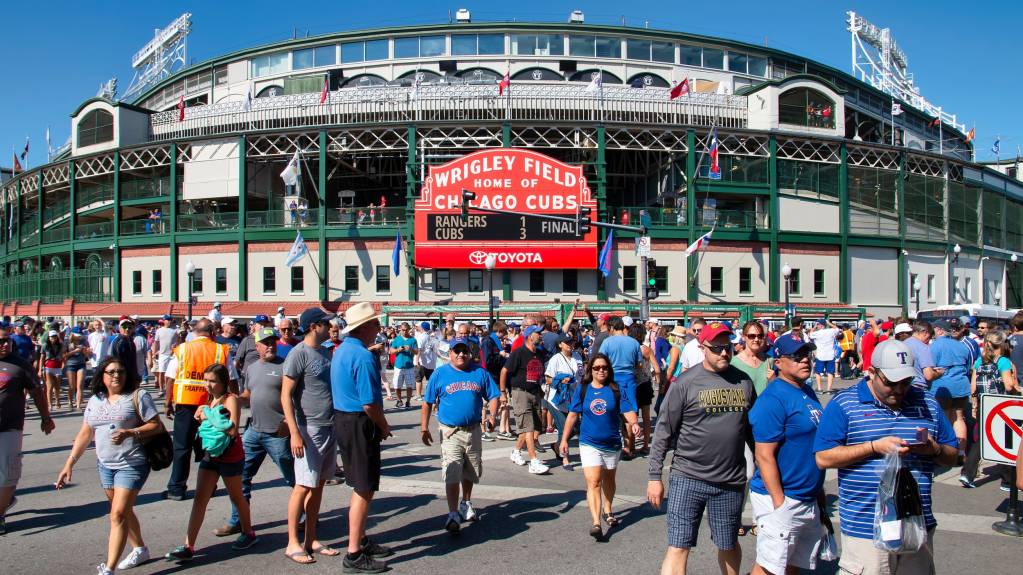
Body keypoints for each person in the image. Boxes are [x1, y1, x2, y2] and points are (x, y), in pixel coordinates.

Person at [814, 339, 958, 574]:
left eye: (906, 381)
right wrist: (872, 447)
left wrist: (934, 450)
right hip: (866, 530)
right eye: (891, 382)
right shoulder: (845, 404)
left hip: (916, 525)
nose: (900, 389)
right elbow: (823, 458)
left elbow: (951, 456)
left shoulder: (927, 403)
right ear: (872, 373)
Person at [647, 322, 755, 575]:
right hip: (688, 477)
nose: (724, 354)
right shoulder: (685, 383)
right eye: (717, 349)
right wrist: (654, 477)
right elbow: (663, 431)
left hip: (730, 480)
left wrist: (765, 466)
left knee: (728, 543)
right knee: (679, 545)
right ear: (702, 348)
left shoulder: (743, 381)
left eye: (727, 347)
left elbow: (753, 430)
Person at [56, 356, 162, 574]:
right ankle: (140, 549)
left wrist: (130, 432)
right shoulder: (96, 400)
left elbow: (156, 425)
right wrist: (69, 464)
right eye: (111, 372)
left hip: (132, 463)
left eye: (121, 371)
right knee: (122, 510)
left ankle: (109, 569)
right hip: (105, 464)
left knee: (117, 515)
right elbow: (86, 433)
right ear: (102, 376)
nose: (116, 375)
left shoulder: (137, 396)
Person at [748, 335, 829, 575]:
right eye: (796, 356)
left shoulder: (807, 391)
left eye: (807, 354)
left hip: (807, 494)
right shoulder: (773, 399)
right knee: (770, 567)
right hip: (782, 496)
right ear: (778, 362)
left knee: (794, 564)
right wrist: (779, 503)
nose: (805, 360)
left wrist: (819, 494)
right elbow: (763, 455)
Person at [165, 364, 258, 561]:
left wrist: (207, 415)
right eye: (206, 380)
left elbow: (232, 430)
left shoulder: (230, 399)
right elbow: (211, 426)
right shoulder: (210, 400)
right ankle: (188, 546)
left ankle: (248, 533)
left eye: (212, 381)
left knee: (237, 496)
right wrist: (203, 417)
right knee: (200, 498)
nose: (207, 384)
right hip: (211, 455)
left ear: (223, 382)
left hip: (230, 456)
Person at [214, 327, 296, 537]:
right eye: (265, 342)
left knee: (293, 479)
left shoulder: (285, 366)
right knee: (241, 479)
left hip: (277, 433)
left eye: (272, 341)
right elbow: (249, 393)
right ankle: (238, 520)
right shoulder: (251, 368)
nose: (270, 345)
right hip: (254, 431)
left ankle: (303, 517)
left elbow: (295, 397)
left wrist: (290, 422)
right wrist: (234, 399)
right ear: (256, 346)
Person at [332, 302, 395, 573]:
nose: (379, 328)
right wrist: (383, 425)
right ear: (365, 327)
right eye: (375, 324)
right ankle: (354, 553)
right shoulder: (363, 356)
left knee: (362, 484)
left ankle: (361, 540)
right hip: (359, 421)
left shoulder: (344, 350)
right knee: (363, 488)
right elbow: (370, 404)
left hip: (345, 420)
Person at [420, 337, 500, 533]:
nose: (461, 354)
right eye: (457, 351)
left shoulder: (479, 372)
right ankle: (453, 512)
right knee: (452, 471)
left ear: (470, 353)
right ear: (450, 353)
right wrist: (424, 427)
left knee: (471, 470)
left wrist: (491, 415)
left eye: (464, 351)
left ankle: (466, 502)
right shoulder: (440, 374)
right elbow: (427, 402)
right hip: (450, 431)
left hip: (473, 430)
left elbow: (493, 396)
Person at [281, 308, 339, 564]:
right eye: (326, 323)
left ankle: (311, 539)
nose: (330, 326)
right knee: (302, 486)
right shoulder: (298, 354)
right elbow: (286, 395)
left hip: (329, 425)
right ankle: (292, 541)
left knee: (317, 485)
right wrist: (294, 432)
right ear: (314, 326)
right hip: (308, 428)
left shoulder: (325, 351)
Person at [561, 353, 640, 540]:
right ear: (591, 370)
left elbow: (627, 409)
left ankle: (608, 509)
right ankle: (596, 522)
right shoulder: (583, 389)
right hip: (589, 442)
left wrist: (635, 423)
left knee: (609, 480)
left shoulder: (615, 389)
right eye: (596, 368)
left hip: (612, 442)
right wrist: (564, 440)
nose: (601, 370)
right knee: (594, 481)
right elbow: (572, 415)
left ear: (609, 369)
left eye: (604, 367)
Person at [164, 319, 234, 501]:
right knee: (209, 445)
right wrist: (232, 401)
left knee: (182, 446)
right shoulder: (221, 350)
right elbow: (232, 377)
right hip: (213, 404)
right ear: (212, 332)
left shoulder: (183, 349)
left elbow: (170, 377)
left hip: (186, 403)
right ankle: (208, 486)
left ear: (195, 332)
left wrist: (167, 402)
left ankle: (176, 488)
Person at [0, 326, 55, 535]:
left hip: (10, 427)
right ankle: (5, 499)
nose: (5, 344)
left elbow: (37, 392)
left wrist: (46, 418)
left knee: (7, 475)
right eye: (0, 341)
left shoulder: (21, 366)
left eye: (7, 341)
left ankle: (0, 514)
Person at [961, 331, 1018, 488]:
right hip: (1000, 405)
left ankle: (967, 474)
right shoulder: (1004, 361)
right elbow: (1008, 385)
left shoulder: (979, 361)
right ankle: (1007, 480)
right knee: (1005, 442)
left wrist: (974, 404)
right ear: (1002, 344)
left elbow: (973, 387)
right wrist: (1016, 383)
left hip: (983, 404)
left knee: (984, 439)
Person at [500, 325, 550, 474]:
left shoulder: (539, 354)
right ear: (529, 336)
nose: (541, 336)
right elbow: (504, 371)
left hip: (534, 393)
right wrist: (503, 392)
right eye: (538, 333)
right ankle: (533, 461)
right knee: (528, 427)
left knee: (532, 427)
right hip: (520, 393)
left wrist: (540, 391)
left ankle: (516, 452)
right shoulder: (519, 353)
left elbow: (537, 375)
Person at [929, 318, 973, 452]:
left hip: (942, 388)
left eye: (934, 329)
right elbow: (968, 367)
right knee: (959, 418)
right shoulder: (962, 345)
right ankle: (960, 452)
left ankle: (947, 453)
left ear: (940, 330)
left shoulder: (935, 346)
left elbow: (930, 368)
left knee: (944, 420)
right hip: (962, 386)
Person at [545, 333, 584, 469]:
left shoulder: (578, 357)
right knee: (563, 428)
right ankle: (565, 458)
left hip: (573, 398)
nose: (570, 345)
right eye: (567, 342)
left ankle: (557, 446)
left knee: (574, 428)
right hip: (557, 400)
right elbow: (548, 379)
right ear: (560, 344)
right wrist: (561, 379)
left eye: (571, 342)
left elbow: (581, 376)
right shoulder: (556, 359)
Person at [627, 322, 660, 456]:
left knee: (631, 417)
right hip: (645, 385)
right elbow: (657, 369)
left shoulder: (629, 349)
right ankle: (646, 445)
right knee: (646, 417)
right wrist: (652, 377)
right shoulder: (646, 349)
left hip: (631, 385)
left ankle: (631, 446)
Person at [902, 321, 943, 392]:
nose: (929, 340)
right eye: (929, 337)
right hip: (918, 388)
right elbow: (929, 375)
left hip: (904, 386)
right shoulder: (923, 347)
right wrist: (939, 373)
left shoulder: (903, 344)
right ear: (925, 333)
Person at [807, 319, 841, 394]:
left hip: (820, 355)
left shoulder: (817, 333)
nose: (817, 326)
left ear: (820, 325)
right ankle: (829, 389)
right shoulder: (831, 331)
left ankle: (819, 389)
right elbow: (837, 329)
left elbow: (810, 334)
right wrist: (829, 323)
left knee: (818, 372)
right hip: (830, 355)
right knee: (830, 372)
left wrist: (814, 327)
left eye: (818, 324)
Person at [390, 322, 418, 408]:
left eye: (406, 330)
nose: (404, 332)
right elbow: (391, 351)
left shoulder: (413, 340)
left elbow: (417, 352)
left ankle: (408, 401)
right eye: (403, 330)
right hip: (398, 366)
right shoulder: (397, 339)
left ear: (409, 330)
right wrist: (398, 350)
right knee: (397, 385)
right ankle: (399, 400)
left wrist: (410, 349)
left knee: (409, 386)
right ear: (400, 330)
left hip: (409, 366)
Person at [63, 330, 90, 409]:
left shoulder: (83, 342)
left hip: (81, 364)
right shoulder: (67, 343)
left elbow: (87, 355)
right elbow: (64, 355)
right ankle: (70, 401)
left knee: (80, 385)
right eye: (77, 335)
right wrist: (74, 351)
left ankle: (78, 405)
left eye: (79, 335)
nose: (78, 337)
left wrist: (84, 351)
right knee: (71, 386)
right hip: (70, 365)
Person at [39, 330, 64, 411]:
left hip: (57, 366)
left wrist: (63, 365)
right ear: (49, 337)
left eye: (54, 336)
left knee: (57, 387)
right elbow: (42, 358)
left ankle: (57, 400)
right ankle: (50, 404)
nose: (53, 338)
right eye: (51, 337)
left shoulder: (60, 345)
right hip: (48, 366)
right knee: (49, 387)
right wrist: (40, 370)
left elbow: (63, 356)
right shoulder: (45, 345)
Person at [153, 316, 177, 398]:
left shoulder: (174, 331)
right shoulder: (159, 331)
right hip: (162, 354)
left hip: (172, 355)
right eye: (168, 320)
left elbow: (178, 341)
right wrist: (154, 352)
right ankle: (161, 389)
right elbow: (156, 342)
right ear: (164, 321)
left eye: (170, 320)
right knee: (161, 372)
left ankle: (168, 389)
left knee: (170, 373)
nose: (170, 321)